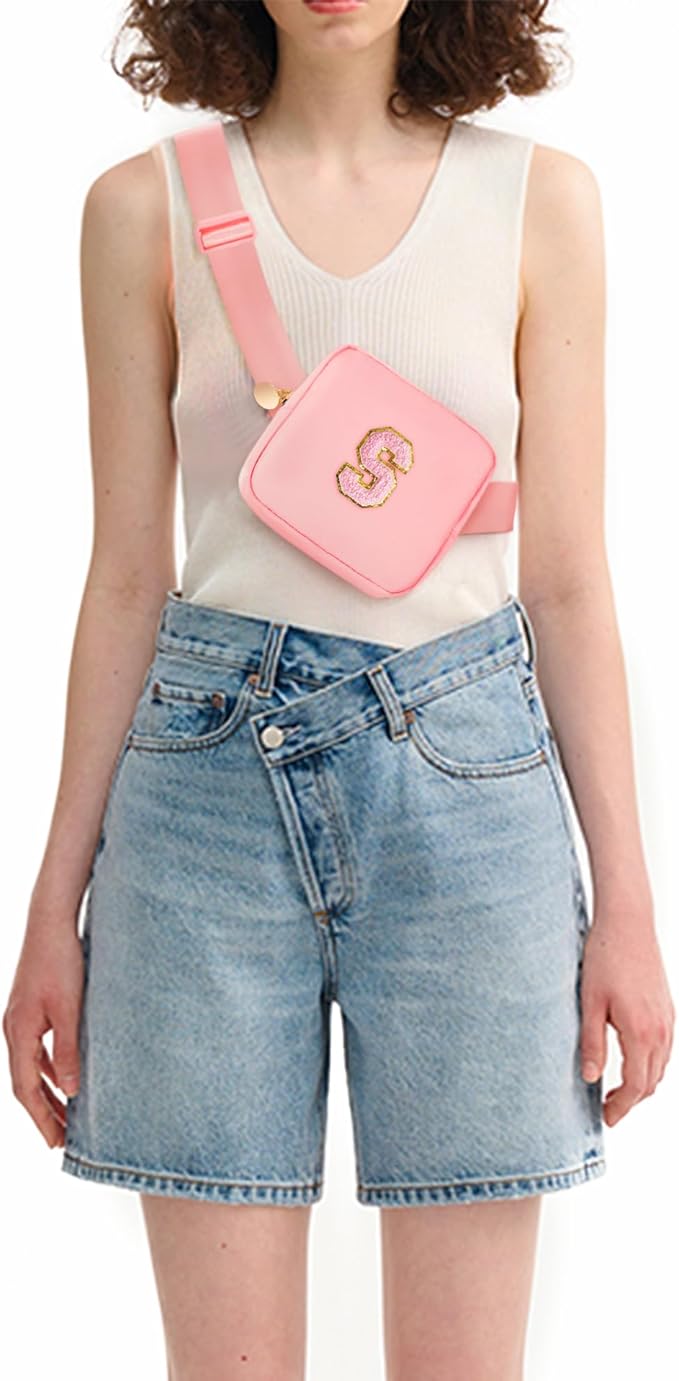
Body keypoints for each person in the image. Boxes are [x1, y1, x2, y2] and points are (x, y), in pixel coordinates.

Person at [4, 2, 675, 1378]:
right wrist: (52, 908)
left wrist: (627, 904)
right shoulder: (138, 209)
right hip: (201, 803)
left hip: (471, 794)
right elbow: (126, 577)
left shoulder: (541, 201)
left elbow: (566, 580)